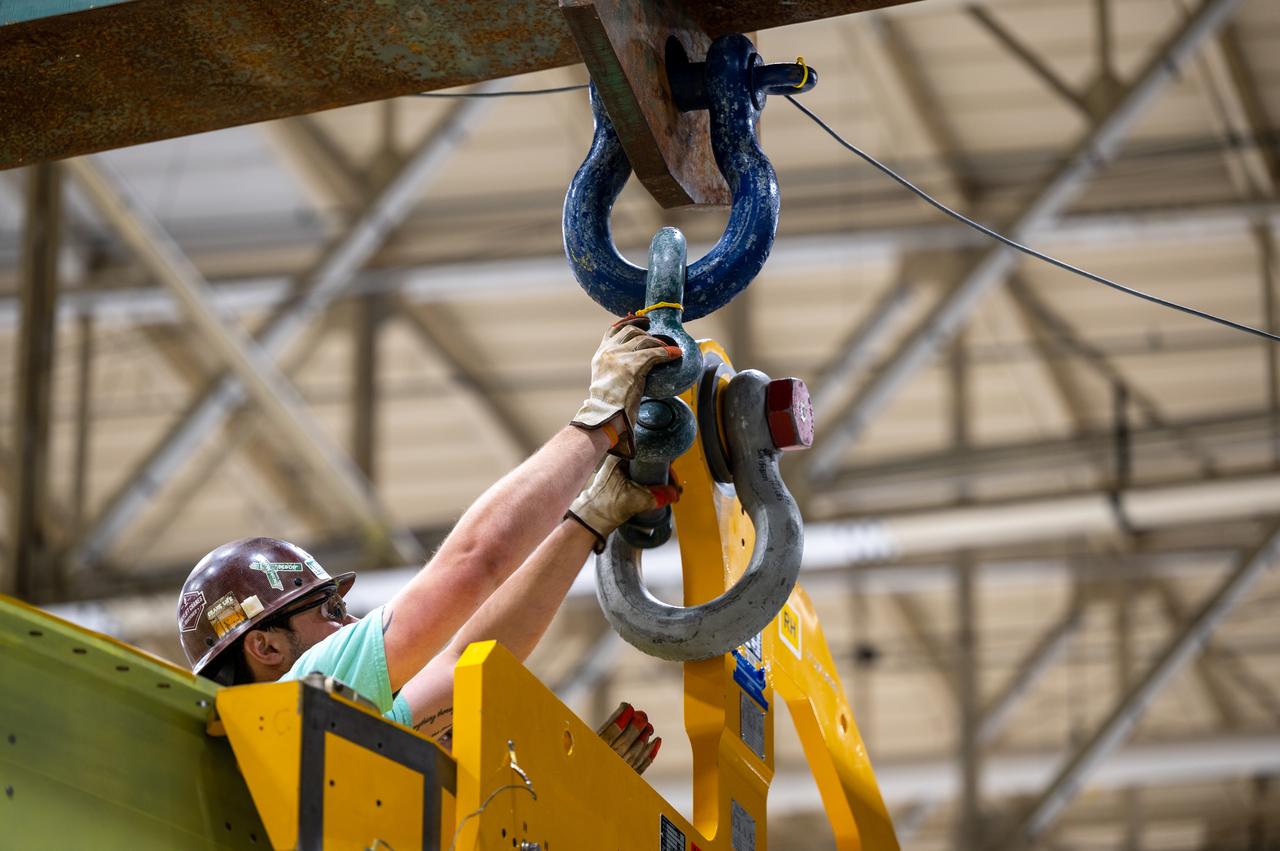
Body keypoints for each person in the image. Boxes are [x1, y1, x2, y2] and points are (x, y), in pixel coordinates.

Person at [176, 321, 678, 758]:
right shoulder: (302, 693)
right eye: (327, 612)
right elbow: (474, 564)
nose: (351, 619)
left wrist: (588, 518)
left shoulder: (332, 741)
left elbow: (473, 655)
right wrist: (600, 420)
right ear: (264, 646)